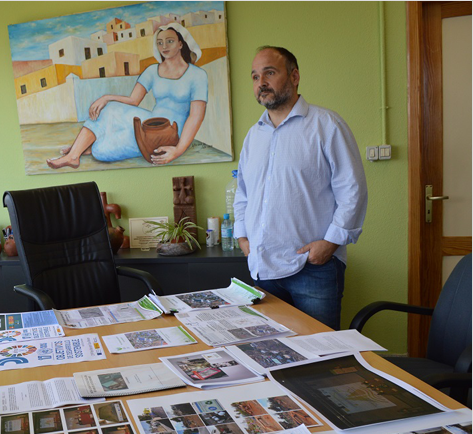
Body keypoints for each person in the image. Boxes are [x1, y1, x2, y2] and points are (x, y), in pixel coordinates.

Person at [233, 46, 367, 330]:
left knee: (319, 356)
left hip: (314, 269)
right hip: (264, 267)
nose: (261, 83)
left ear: (294, 76)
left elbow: (352, 190)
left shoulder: (326, 125)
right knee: (271, 352)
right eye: (255, 77)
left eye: (270, 72)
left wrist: (330, 243)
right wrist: (243, 236)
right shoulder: (253, 136)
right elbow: (244, 193)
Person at [47, 23, 207, 169]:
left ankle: (84, 147)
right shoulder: (152, 70)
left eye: (170, 41)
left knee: (100, 152)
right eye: (159, 42)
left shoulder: (197, 75)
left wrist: (178, 150)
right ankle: (74, 155)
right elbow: (133, 101)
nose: (164, 46)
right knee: (107, 108)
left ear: (181, 44)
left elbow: (196, 116)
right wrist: (106, 97)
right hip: (150, 121)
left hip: (170, 133)